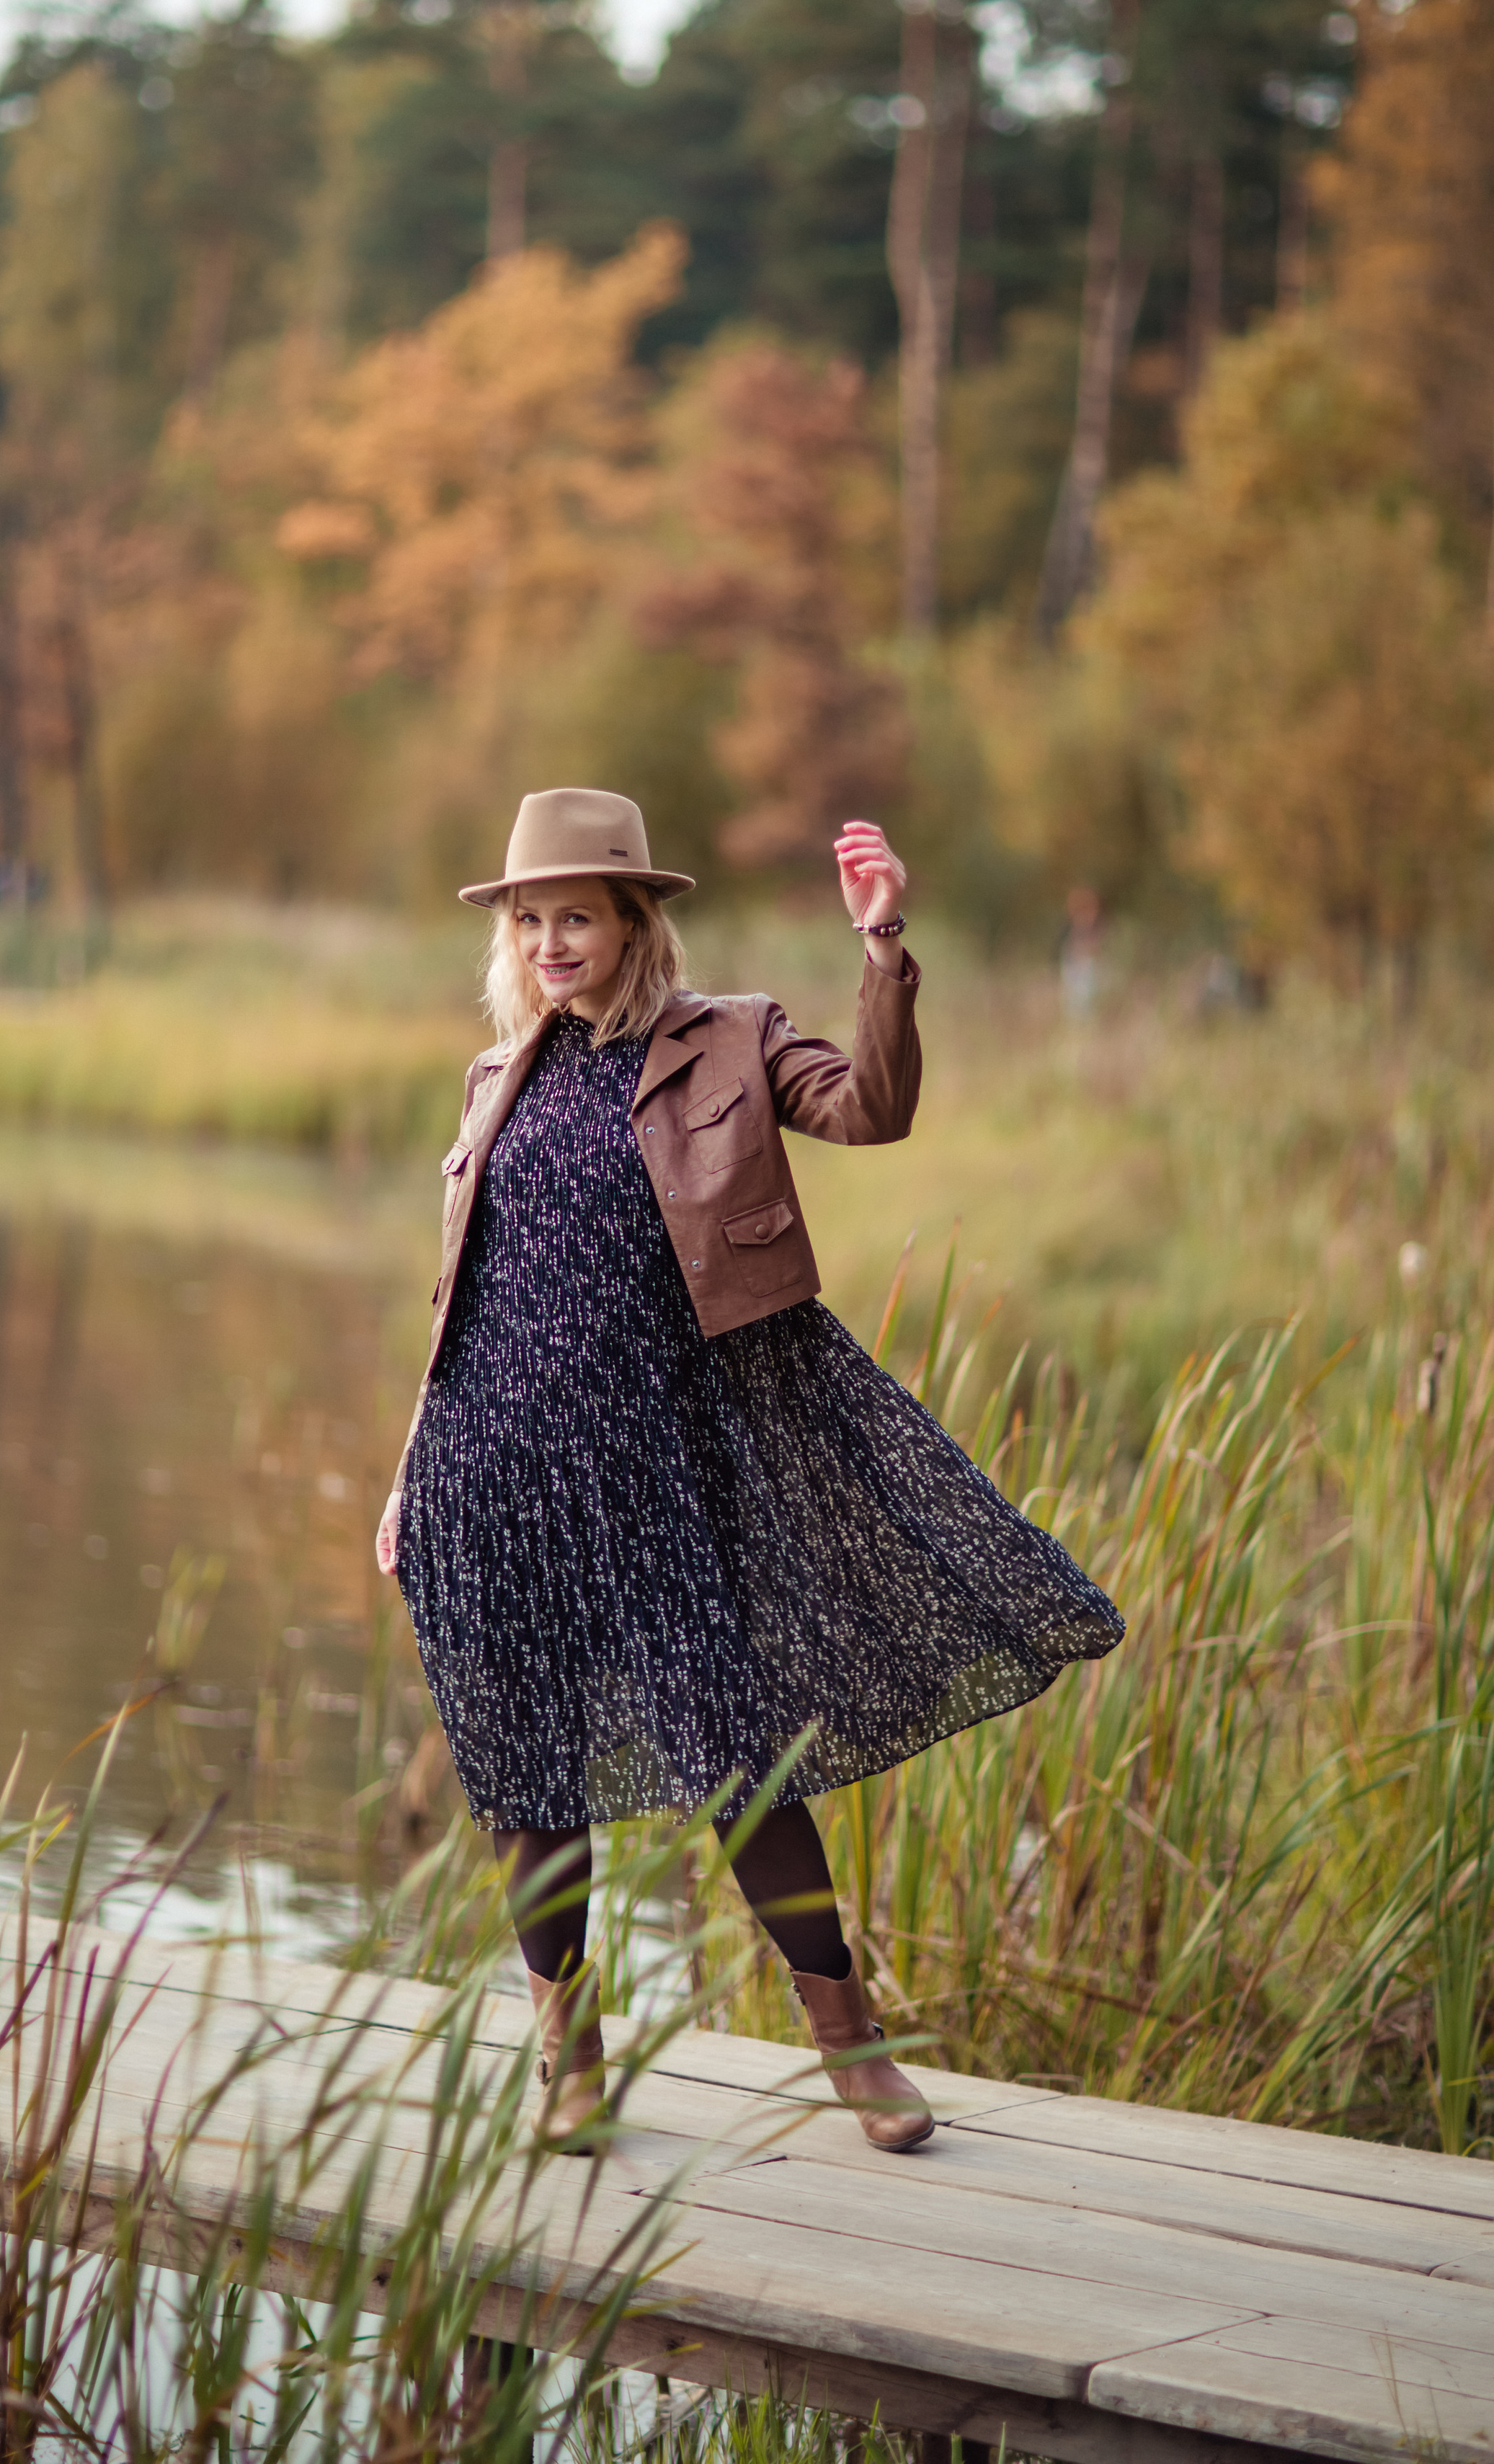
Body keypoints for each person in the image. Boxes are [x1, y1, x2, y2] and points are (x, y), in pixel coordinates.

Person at [377, 789, 1124, 2157]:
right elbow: (458, 1306)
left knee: (742, 1757)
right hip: (495, 1472)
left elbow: (875, 1109)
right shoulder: (499, 1082)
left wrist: (884, 940)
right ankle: (572, 2056)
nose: (551, 941)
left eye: (577, 918)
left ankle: (855, 2050)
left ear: (632, 923)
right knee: (529, 1769)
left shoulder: (733, 1039)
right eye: (531, 921)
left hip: (668, 1468)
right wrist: (410, 1475)